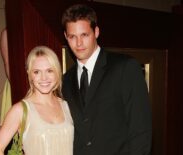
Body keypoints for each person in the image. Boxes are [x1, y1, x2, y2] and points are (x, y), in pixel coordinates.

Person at [61, 4, 152, 155]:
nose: (78, 43)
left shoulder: (125, 68)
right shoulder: (65, 81)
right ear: (66, 36)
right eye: (72, 37)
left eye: (84, 35)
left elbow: (141, 130)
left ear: (96, 32)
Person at [0, 46, 74, 155]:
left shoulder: (65, 105)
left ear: (57, 72)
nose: (44, 78)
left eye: (49, 71)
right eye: (36, 72)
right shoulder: (20, 110)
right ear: (29, 74)